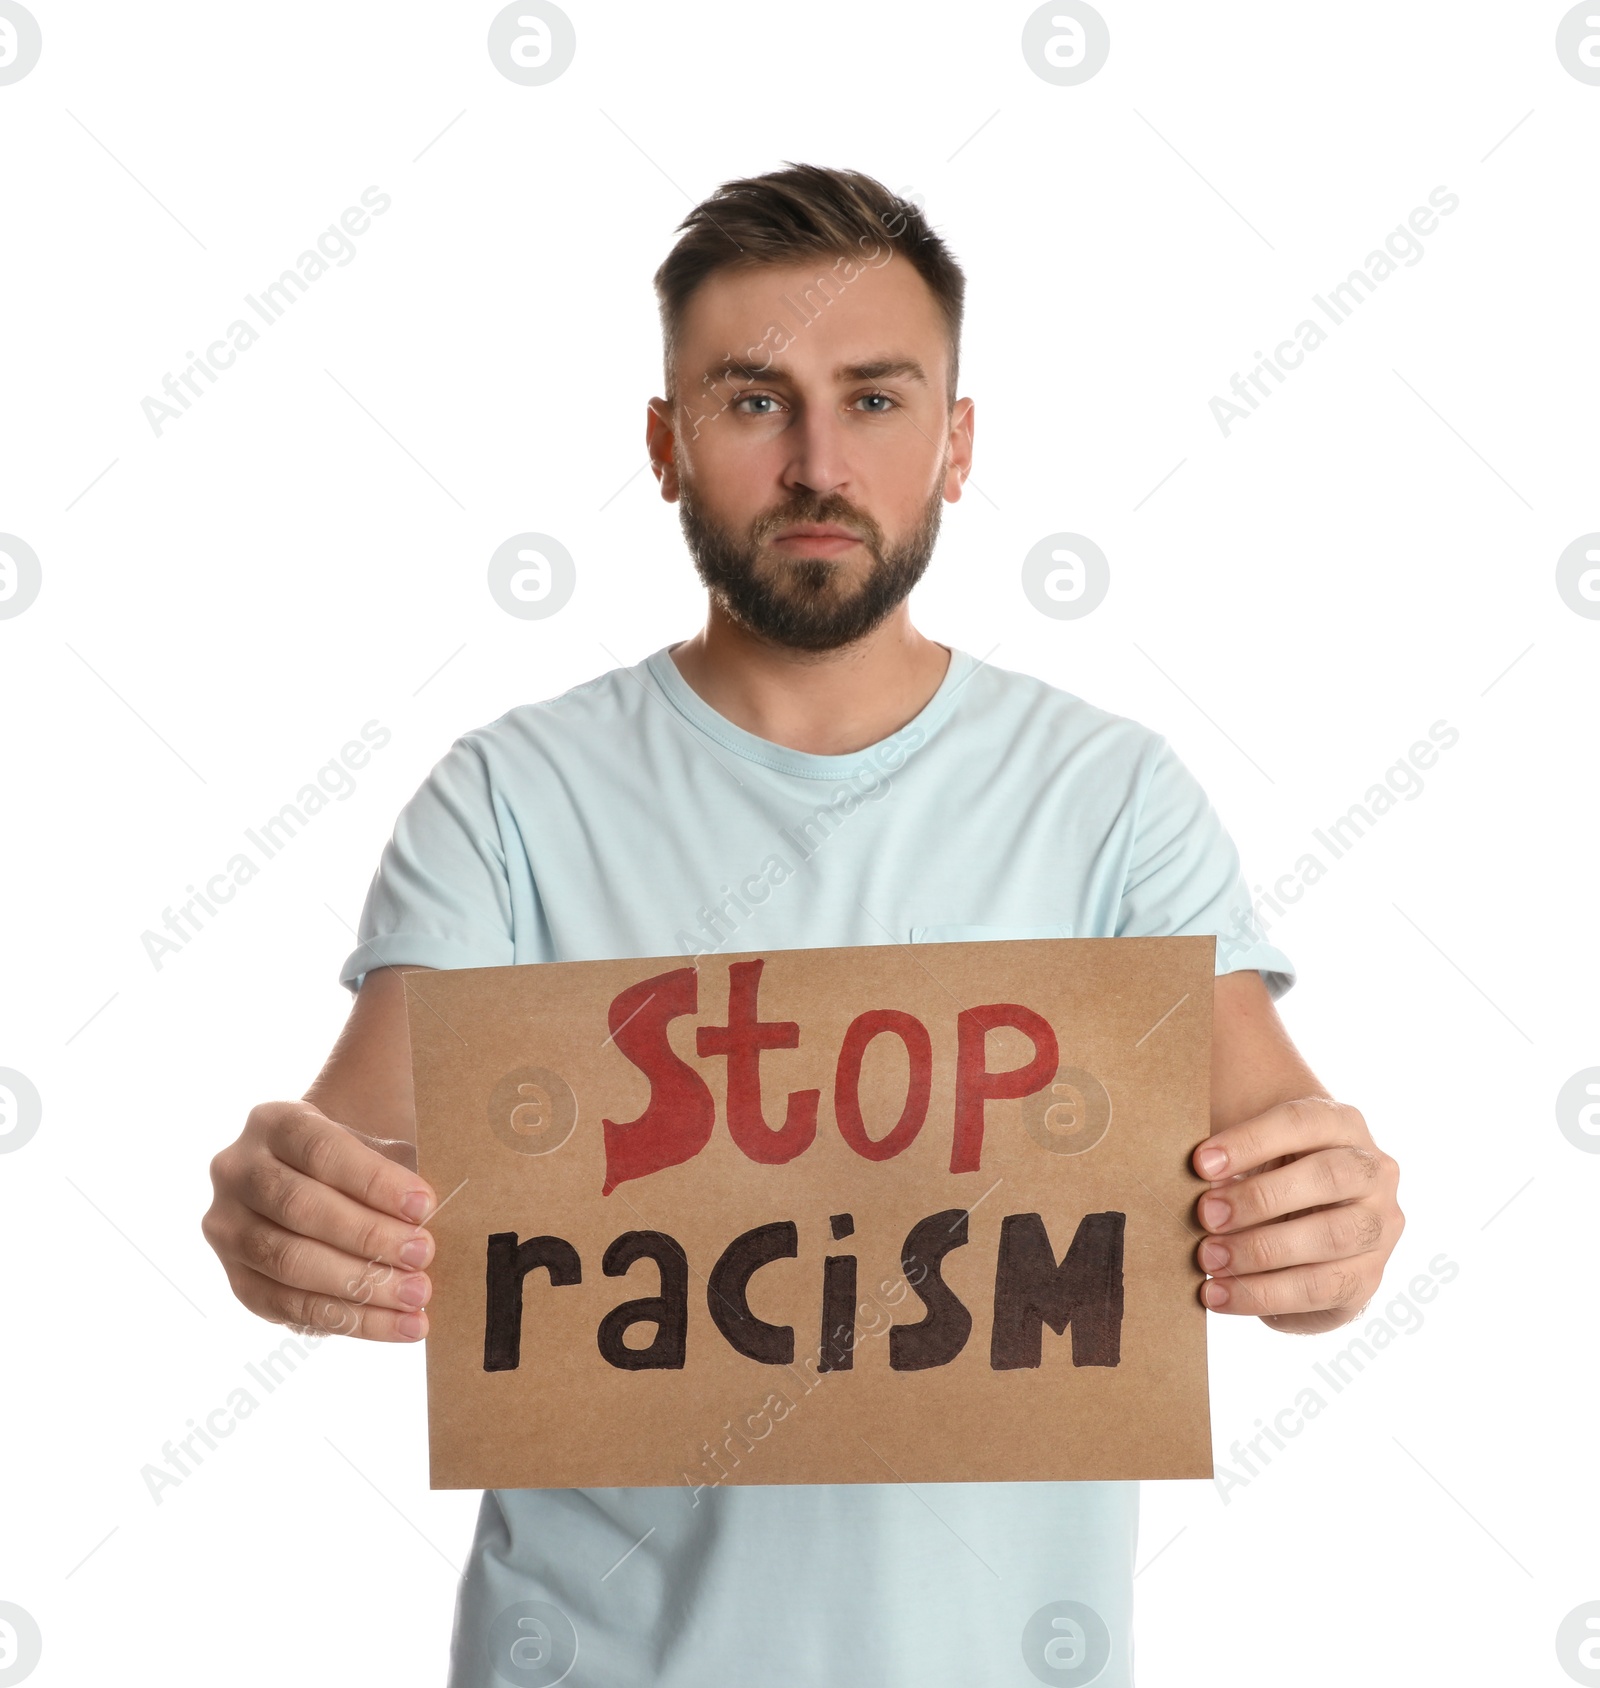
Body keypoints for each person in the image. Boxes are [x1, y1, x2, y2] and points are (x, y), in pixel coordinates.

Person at [202, 163, 1403, 1687]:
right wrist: (290, 1216)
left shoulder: (1110, 800)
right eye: (754, 401)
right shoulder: (512, 795)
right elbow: (368, 1164)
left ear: (958, 445)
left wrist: (1331, 1225)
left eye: (879, 401)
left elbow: (1283, 1160)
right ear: (666, 444)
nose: (819, 463)